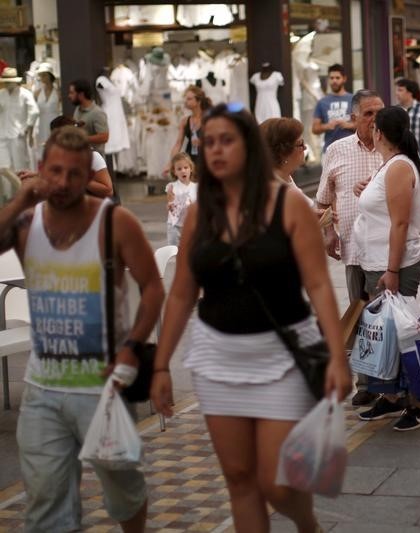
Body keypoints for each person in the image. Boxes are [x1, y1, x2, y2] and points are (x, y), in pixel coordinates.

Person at [150, 103, 352, 532]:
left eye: (228, 141)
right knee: (240, 480)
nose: (217, 151)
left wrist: (337, 355)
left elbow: (318, 286)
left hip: (281, 356)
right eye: (209, 143)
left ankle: (306, 523)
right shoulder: (198, 212)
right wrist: (161, 363)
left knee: (276, 484)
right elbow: (183, 291)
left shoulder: (289, 203)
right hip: (217, 356)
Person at [2, 126, 163, 532]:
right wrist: (22, 196)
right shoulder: (26, 223)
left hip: (102, 387)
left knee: (123, 491)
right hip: (42, 388)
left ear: (88, 176)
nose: (63, 183)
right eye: (54, 172)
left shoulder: (115, 222)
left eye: (75, 174)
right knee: (46, 505)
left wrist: (131, 348)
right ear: (41, 170)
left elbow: (153, 288)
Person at [352, 106, 420, 430]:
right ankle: (393, 397)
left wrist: (393, 271)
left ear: (379, 133)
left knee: (403, 335)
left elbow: (400, 223)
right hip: (378, 263)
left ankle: (419, 404)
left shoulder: (398, 167)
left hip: (394, 265)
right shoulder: (390, 166)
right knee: (387, 335)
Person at [315, 90, 384, 406]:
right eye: (368, 113)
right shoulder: (337, 150)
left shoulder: (394, 148)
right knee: (361, 315)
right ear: (355, 117)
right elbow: (323, 201)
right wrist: (329, 233)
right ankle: (367, 381)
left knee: (387, 317)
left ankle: (389, 380)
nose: (374, 119)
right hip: (354, 249)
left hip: (388, 249)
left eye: (379, 112)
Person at [0, 67, 38, 171]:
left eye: (9, 82)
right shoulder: (1, 94)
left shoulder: (25, 94)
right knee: (4, 167)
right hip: (2, 136)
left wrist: (27, 129)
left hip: (18, 135)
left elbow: (34, 112)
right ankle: (7, 187)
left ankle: (21, 187)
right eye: (6, 82)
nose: (7, 84)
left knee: (20, 165)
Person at [165, 86, 212, 171]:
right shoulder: (185, 121)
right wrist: (170, 163)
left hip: (207, 161)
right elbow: (178, 144)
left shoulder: (209, 118)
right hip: (190, 162)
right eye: (185, 99)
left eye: (189, 99)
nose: (185, 102)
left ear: (199, 101)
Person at [311, 64, 355, 153]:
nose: (334, 81)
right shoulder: (322, 102)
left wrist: (348, 125)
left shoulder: (354, 99)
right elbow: (314, 129)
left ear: (344, 79)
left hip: (352, 150)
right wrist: (327, 126)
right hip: (329, 150)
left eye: (337, 78)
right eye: (331, 78)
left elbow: (363, 124)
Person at [68, 79, 109, 155]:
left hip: (94, 160)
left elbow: (104, 137)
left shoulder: (97, 113)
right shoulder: (77, 109)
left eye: (72, 93)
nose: (69, 96)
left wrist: (82, 139)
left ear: (81, 94)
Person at [165, 152, 197, 246]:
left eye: (186, 168)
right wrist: (170, 206)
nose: (183, 171)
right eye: (179, 169)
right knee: (175, 251)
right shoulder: (172, 187)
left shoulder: (196, 187)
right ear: (175, 171)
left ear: (191, 169)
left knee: (190, 251)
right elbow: (170, 203)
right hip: (174, 226)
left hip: (190, 226)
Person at [33, 63, 60, 149]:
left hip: (55, 122)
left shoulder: (58, 92)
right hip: (41, 124)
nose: (42, 78)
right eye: (41, 75)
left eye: (44, 75)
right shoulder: (37, 93)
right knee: (42, 148)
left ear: (50, 76)